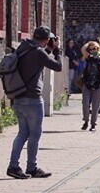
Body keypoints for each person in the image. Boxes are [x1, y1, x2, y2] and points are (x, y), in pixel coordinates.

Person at [6, 26, 62, 179]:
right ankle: (31, 167)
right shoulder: (38, 52)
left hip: (18, 97)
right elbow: (57, 67)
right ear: (45, 40)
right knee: (35, 135)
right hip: (33, 100)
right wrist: (58, 51)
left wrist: (48, 50)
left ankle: (13, 166)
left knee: (22, 133)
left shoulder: (23, 47)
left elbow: (36, 61)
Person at [79, 40, 100, 132]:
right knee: (85, 104)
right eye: (91, 49)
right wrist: (90, 42)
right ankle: (85, 121)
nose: (93, 50)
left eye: (95, 48)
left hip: (97, 85)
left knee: (95, 106)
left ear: (98, 49)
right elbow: (82, 49)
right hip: (87, 84)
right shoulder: (89, 57)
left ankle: (93, 124)